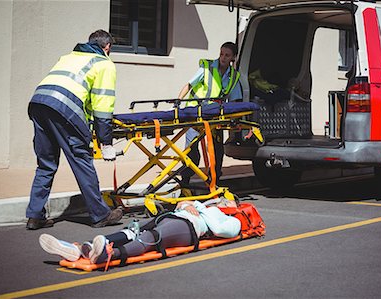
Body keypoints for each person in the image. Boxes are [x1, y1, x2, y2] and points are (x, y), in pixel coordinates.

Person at [26, 29, 122, 230]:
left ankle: (35, 216)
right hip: (64, 109)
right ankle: (101, 214)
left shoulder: (70, 56)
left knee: (46, 164)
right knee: (81, 160)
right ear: (107, 47)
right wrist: (106, 142)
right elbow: (103, 106)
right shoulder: (104, 64)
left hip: (38, 103)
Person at [39, 199, 241, 264]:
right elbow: (181, 203)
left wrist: (202, 209)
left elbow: (223, 230)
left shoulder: (232, 219)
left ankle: (107, 254)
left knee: (150, 238)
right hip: (174, 217)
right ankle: (84, 247)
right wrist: (187, 203)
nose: (224, 200)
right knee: (131, 230)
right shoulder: (206, 204)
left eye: (228, 201)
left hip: (188, 228)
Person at [177, 42, 242, 186]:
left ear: (233, 58)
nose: (223, 58)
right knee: (191, 149)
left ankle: (215, 179)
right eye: (221, 54)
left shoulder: (233, 77)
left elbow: (236, 100)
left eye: (227, 55)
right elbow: (189, 85)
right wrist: (178, 101)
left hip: (214, 117)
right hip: (195, 113)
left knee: (216, 150)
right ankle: (185, 181)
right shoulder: (207, 68)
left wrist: (236, 120)